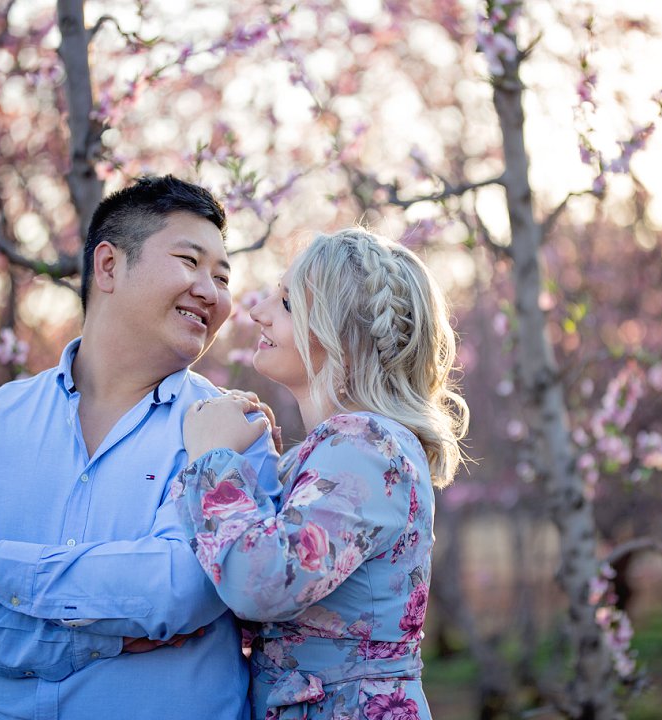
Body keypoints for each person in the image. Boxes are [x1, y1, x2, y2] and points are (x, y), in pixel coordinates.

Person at [0, 175, 277, 720]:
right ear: (109, 265)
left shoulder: (233, 429)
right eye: (190, 261)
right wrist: (96, 641)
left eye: (223, 277)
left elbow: (181, 588)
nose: (211, 292)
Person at [172, 227, 469, 719]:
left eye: (287, 304)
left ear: (343, 338)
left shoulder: (367, 445)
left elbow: (260, 585)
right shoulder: (342, 448)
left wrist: (214, 459)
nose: (258, 311)